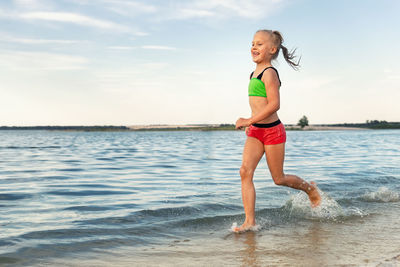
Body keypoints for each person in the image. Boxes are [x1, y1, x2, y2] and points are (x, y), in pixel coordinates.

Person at [234, 29, 321, 233]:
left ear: (272, 49)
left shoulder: (269, 73)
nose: (254, 47)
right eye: (253, 43)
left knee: (278, 178)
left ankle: (310, 190)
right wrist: (251, 123)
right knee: (244, 172)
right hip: (256, 131)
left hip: (273, 131)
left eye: (260, 44)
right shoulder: (253, 73)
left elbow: (274, 105)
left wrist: (248, 120)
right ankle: (249, 222)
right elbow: (258, 105)